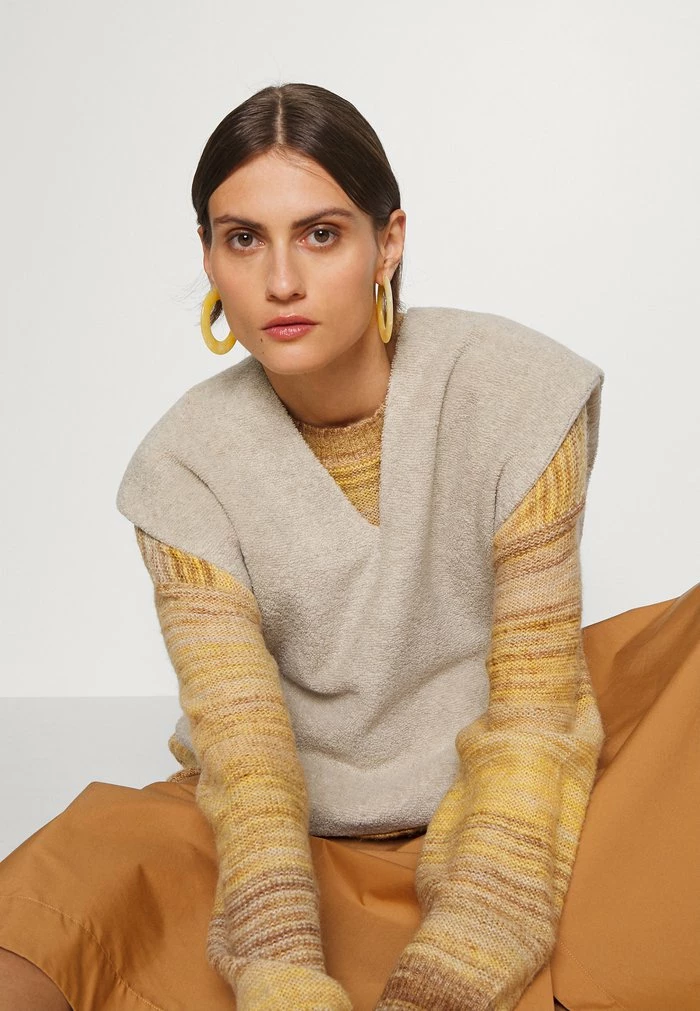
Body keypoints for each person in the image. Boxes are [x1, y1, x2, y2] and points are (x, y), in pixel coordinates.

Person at [0, 82, 698, 1011]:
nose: (281, 280)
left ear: (388, 243)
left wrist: (459, 963)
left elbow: (535, 711)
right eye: (243, 239)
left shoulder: (516, 390)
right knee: (55, 900)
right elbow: (247, 756)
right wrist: (281, 969)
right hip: (292, 824)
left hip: (512, 789)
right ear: (208, 256)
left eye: (321, 234)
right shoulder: (180, 468)